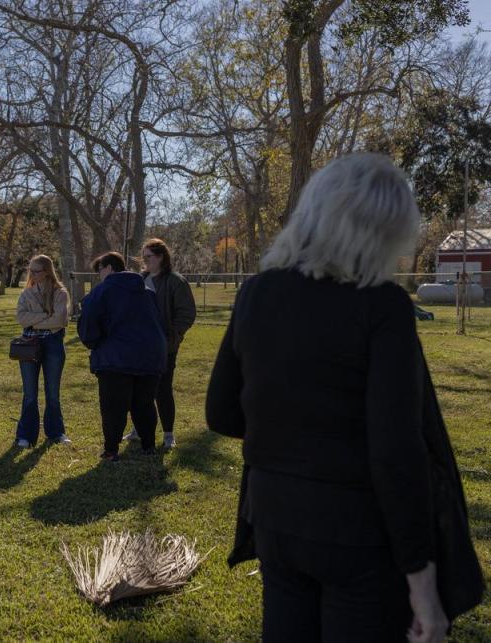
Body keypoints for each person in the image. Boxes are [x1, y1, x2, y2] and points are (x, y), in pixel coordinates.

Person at [206, 153, 448, 642]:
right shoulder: (383, 306)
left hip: (274, 516)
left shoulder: (257, 292)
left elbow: (222, 412)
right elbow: (397, 450)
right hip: (356, 531)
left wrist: (289, 439)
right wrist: (423, 582)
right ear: (383, 231)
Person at [77, 252, 167, 461]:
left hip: (115, 358)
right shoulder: (147, 292)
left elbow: (88, 323)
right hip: (151, 356)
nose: (99, 275)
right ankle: (148, 445)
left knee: (113, 406)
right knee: (144, 403)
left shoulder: (102, 291)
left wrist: (95, 344)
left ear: (108, 268)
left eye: (99, 270)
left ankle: (111, 450)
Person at [125, 238, 196, 449]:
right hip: (140, 345)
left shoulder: (176, 281)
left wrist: (173, 336)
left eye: (149, 257)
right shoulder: (139, 279)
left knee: (163, 389)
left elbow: (186, 313)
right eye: (143, 257)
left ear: (161, 257)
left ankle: (168, 434)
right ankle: (138, 429)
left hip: (165, 345)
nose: (145, 261)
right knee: (138, 390)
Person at [14, 254, 71, 447]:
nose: (31, 274)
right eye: (30, 270)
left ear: (47, 272)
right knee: (30, 393)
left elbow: (60, 321)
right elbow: (22, 319)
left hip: (54, 345)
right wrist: (45, 315)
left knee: (52, 393)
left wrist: (34, 320)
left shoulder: (60, 292)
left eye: (35, 271)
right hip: (29, 346)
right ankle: (25, 436)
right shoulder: (27, 293)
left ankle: (56, 432)